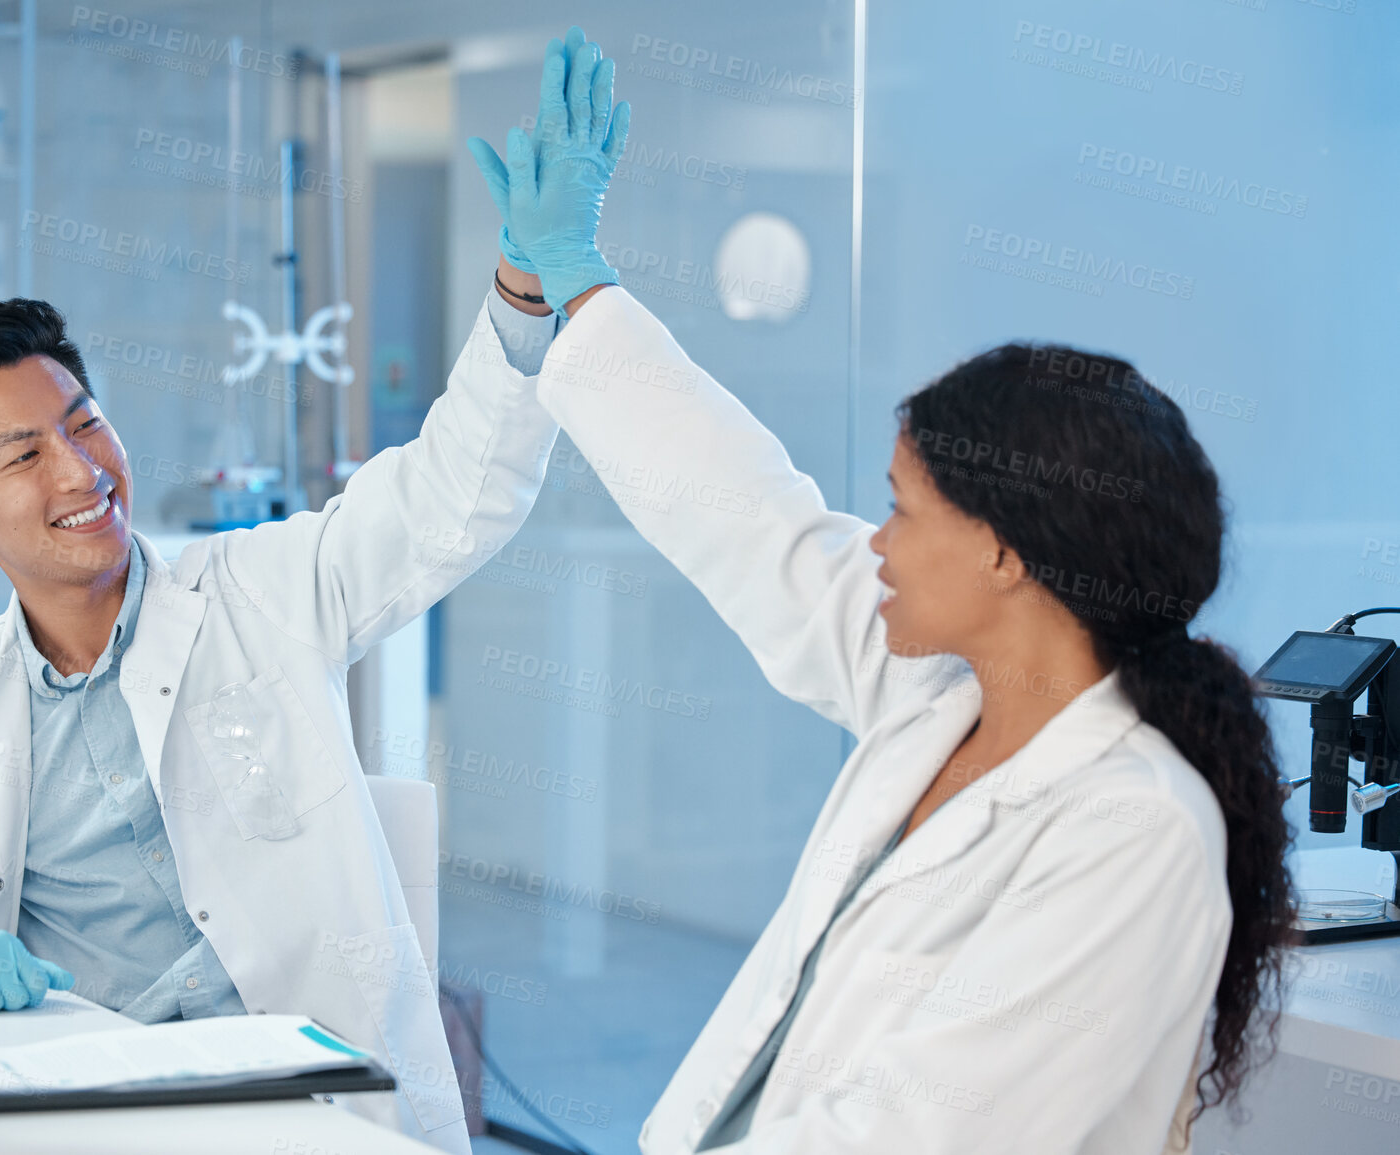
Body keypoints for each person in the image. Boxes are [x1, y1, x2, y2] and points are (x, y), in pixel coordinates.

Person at [469, 26, 1294, 1154]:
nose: (877, 546)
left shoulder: (1135, 832)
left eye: (905, 510)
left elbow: (928, 1129)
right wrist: (580, 282)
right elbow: (747, 514)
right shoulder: (946, 692)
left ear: (1009, 554)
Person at [0, 253, 567, 1151]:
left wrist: (523, 297)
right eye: (24, 454)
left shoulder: (264, 590)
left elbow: (449, 500)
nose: (79, 471)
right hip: (95, 1110)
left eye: (85, 424)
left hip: (309, 1108)